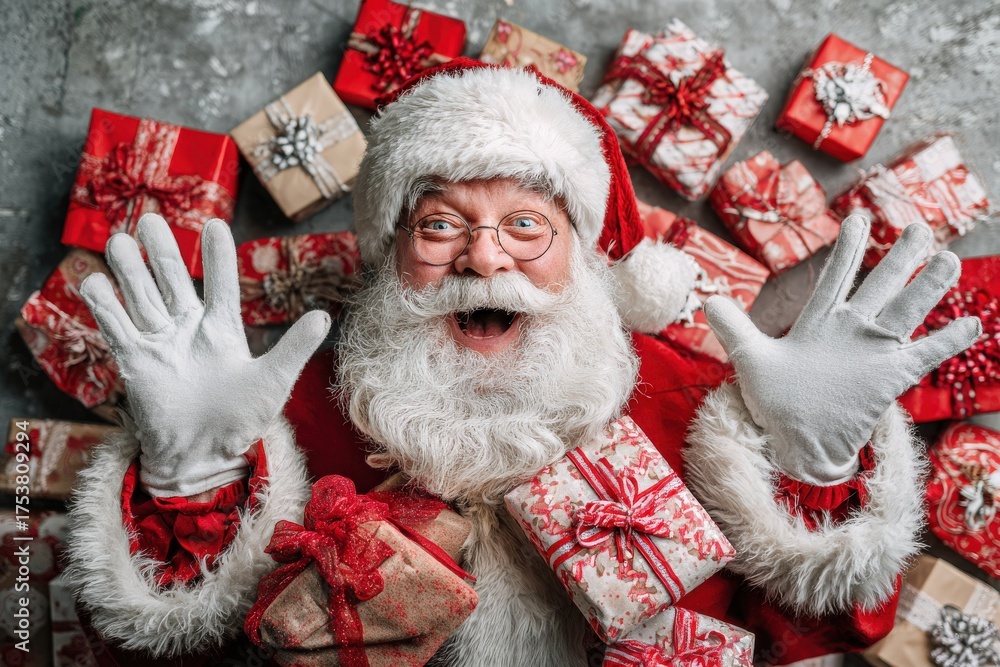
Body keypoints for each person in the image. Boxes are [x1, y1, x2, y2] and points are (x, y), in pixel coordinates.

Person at [66, 60, 980, 666]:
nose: (484, 259)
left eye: (525, 226)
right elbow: (145, 651)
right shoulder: (280, 420)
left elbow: (833, 634)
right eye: (440, 224)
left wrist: (813, 468)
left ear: (584, 251)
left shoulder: (695, 403)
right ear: (390, 254)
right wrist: (191, 481)